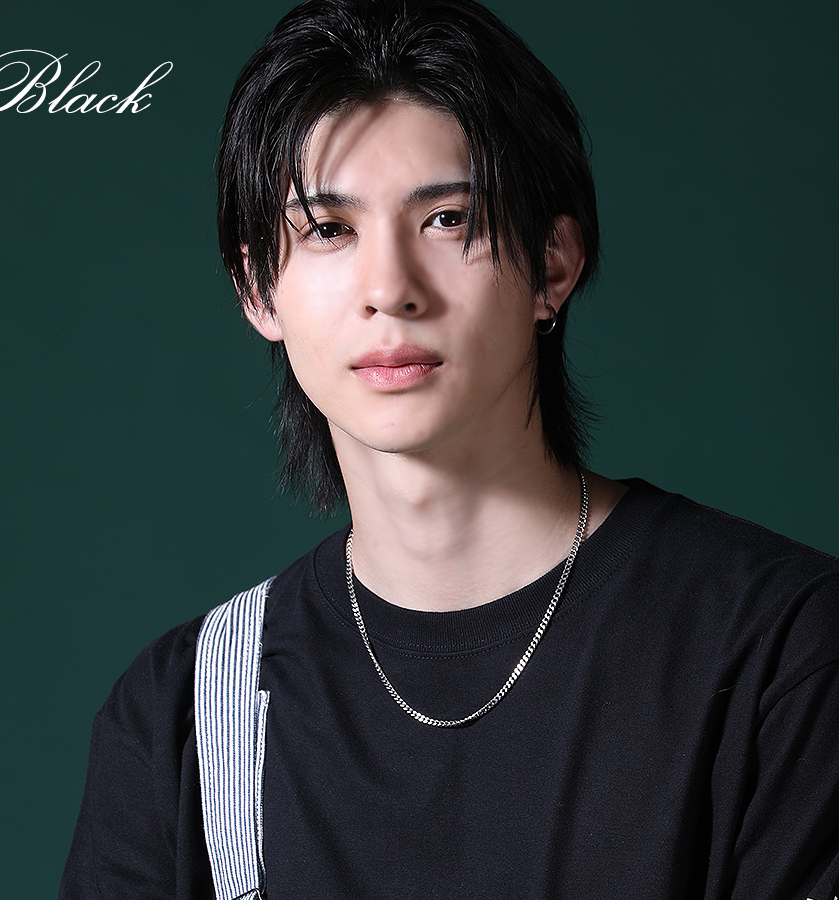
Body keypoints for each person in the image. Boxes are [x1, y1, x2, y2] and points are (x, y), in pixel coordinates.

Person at [60, 0, 839, 897]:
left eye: (447, 219)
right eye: (329, 229)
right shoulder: (186, 716)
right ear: (258, 290)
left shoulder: (780, 650)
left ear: (554, 263)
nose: (389, 289)